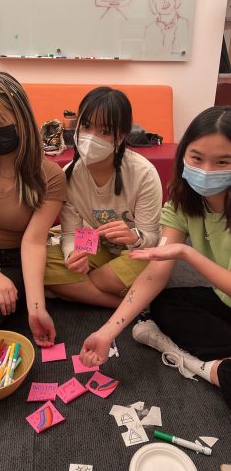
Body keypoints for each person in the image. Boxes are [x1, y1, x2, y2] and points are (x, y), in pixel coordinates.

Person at [80, 106, 231, 409]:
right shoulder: (182, 204)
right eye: (197, 158)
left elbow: (170, 250)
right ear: (183, 155)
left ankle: (207, 368)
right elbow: (154, 273)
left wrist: (187, 253)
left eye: (223, 162)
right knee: (164, 303)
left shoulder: (142, 173)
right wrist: (107, 331)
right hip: (222, 300)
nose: (206, 171)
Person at [0, 72, 66, 346]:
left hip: (11, 263)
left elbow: (33, 243)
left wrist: (36, 309)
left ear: (20, 116)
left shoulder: (50, 175)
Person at [44, 86, 162, 307]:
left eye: (104, 131)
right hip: (96, 245)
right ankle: (127, 302)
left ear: (121, 136)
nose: (90, 138)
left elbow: (151, 240)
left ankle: (75, 288)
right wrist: (73, 256)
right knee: (42, 260)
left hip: (135, 254)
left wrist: (134, 237)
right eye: (86, 126)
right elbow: (70, 233)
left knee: (157, 263)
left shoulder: (144, 173)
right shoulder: (68, 175)